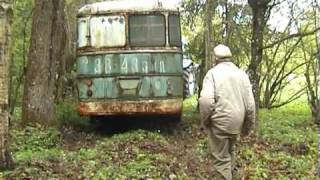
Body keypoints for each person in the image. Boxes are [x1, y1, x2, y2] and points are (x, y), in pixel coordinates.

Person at [199, 44, 256, 180]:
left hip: (219, 123)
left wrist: (206, 120)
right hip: (237, 123)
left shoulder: (212, 74)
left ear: (216, 59)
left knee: (221, 160)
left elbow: (206, 101)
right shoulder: (242, 74)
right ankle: (232, 175)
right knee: (231, 152)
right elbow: (250, 105)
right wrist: (247, 128)